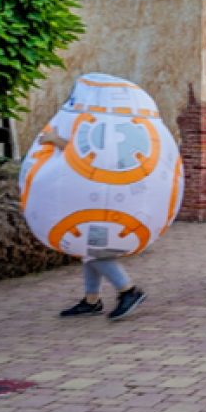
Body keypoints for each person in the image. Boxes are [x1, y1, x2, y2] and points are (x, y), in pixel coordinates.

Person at [40, 130, 148, 321]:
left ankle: (128, 290)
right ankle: (92, 301)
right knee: (88, 249)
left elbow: (88, 157)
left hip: (102, 196)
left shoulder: (103, 120)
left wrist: (55, 140)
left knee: (94, 249)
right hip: (96, 195)